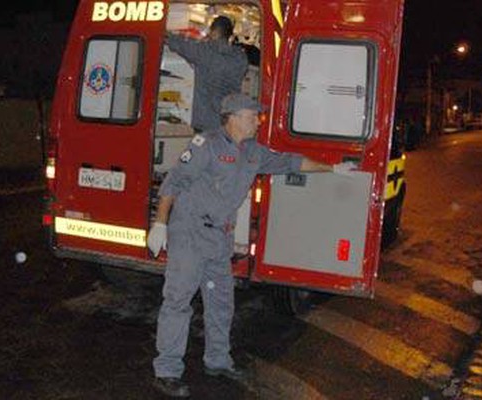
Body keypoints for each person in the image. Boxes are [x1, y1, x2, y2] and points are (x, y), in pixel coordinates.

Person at [146, 93, 356, 398]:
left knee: (220, 303)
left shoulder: (253, 152)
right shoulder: (206, 145)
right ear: (232, 117)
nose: (257, 120)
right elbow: (173, 182)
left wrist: (332, 169)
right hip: (190, 232)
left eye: (257, 115)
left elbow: (291, 162)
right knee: (178, 301)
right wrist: (160, 223)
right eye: (251, 115)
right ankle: (166, 370)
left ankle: (217, 361)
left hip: (219, 237)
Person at [166, 16, 248, 132]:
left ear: (213, 32)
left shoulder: (205, 51)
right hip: (229, 122)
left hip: (206, 123)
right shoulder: (241, 58)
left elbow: (177, 43)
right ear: (230, 35)